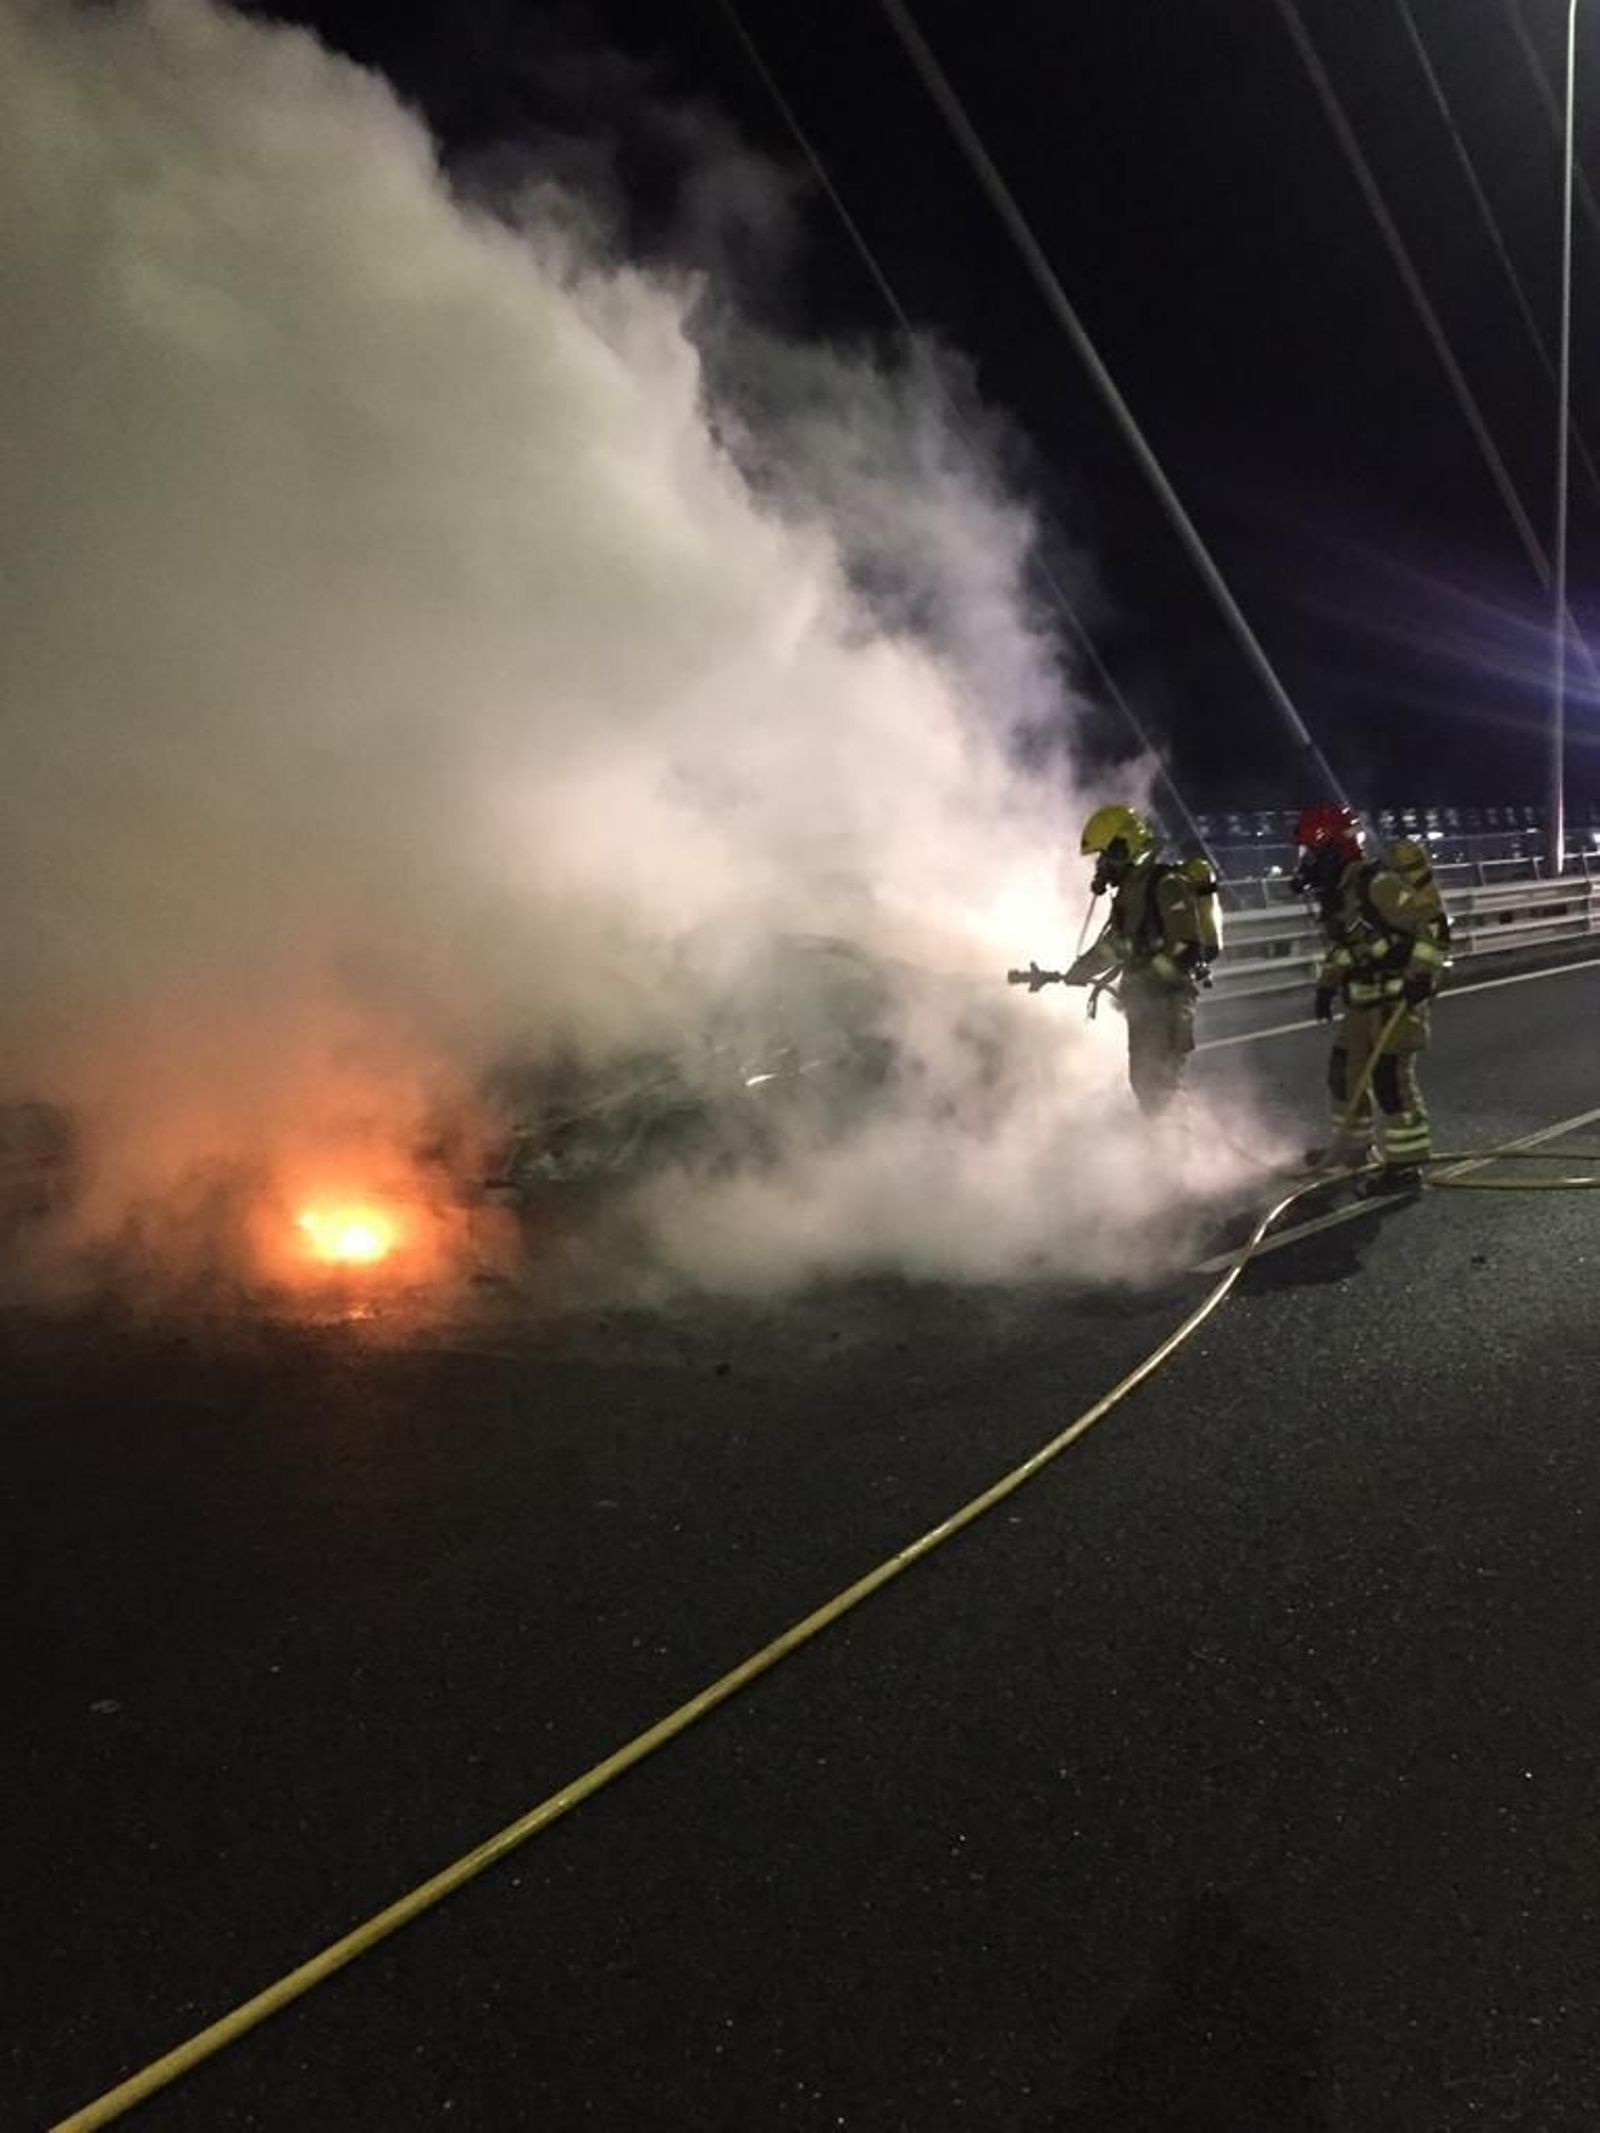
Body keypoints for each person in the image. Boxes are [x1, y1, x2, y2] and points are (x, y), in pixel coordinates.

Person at [1294, 807, 1450, 1191]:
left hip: (1398, 1001)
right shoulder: (1342, 893)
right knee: (1342, 1073)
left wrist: (1420, 977)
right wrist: (1327, 984)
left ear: (1333, 850)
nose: (1306, 863)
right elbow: (1351, 947)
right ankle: (1353, 1147)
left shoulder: (1375, 883)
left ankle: (1405, 1166)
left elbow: (1432, 923)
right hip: (1363, 1006)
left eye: (1311, 853)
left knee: (1390, 1081)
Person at [1066, 804, 1218, 1116]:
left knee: (1158, 1082)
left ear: (1124, 847)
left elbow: (1186, 948)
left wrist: (1146, 979)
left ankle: (1176, 1155)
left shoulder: (1166, 883)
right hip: (1146, 1005)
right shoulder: (1128, 894)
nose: (1101, 866)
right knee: (1146, 1082)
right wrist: (1081, 969)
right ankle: (1167, 1150)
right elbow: (1118, 944)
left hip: (1169, 1002)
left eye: (1105, 856)